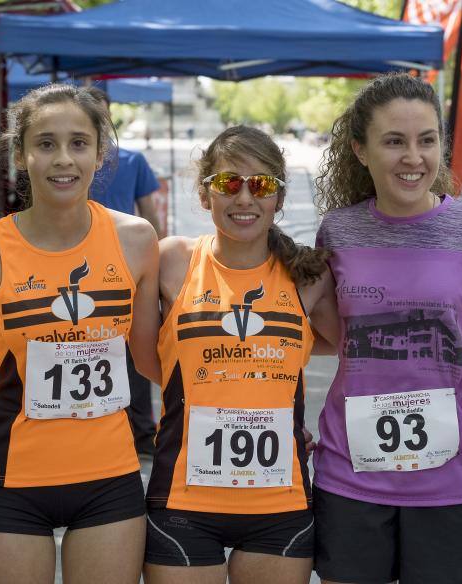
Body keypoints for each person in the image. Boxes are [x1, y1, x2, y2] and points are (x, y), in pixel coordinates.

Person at [312, 73, 462, 584]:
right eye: (394, 141)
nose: (413, 157)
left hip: (455, 486)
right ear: (361, 151)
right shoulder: (337, 231)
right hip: (349, 480)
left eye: (427, 140)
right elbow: (330, 341)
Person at [0, 83, 160, 584]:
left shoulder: (136, 241)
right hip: (12, 482)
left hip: (109, 480)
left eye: (79, 143)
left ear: (101, 154)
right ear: (20, 153)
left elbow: (151, 361)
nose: (64, 159)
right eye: (45, 143)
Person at [144, 126, 338, 584]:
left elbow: (351, 349)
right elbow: (144, 356)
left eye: (262, 185)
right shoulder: (171, 260)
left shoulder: (309, 277)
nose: (245, 198)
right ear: (206, 193)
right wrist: (211, 389)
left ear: (280, 198)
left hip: (279, 503)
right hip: (183, 500)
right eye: (229, 183)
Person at [89, 87, 162, 456]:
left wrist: (155, 259)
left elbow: (151, 215)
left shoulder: (132, 161)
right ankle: (136, 429)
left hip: (124, 266)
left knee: (132, 349)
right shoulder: (127, 161)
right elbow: (152, 214)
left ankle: (139, 427)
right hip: (94, 268)